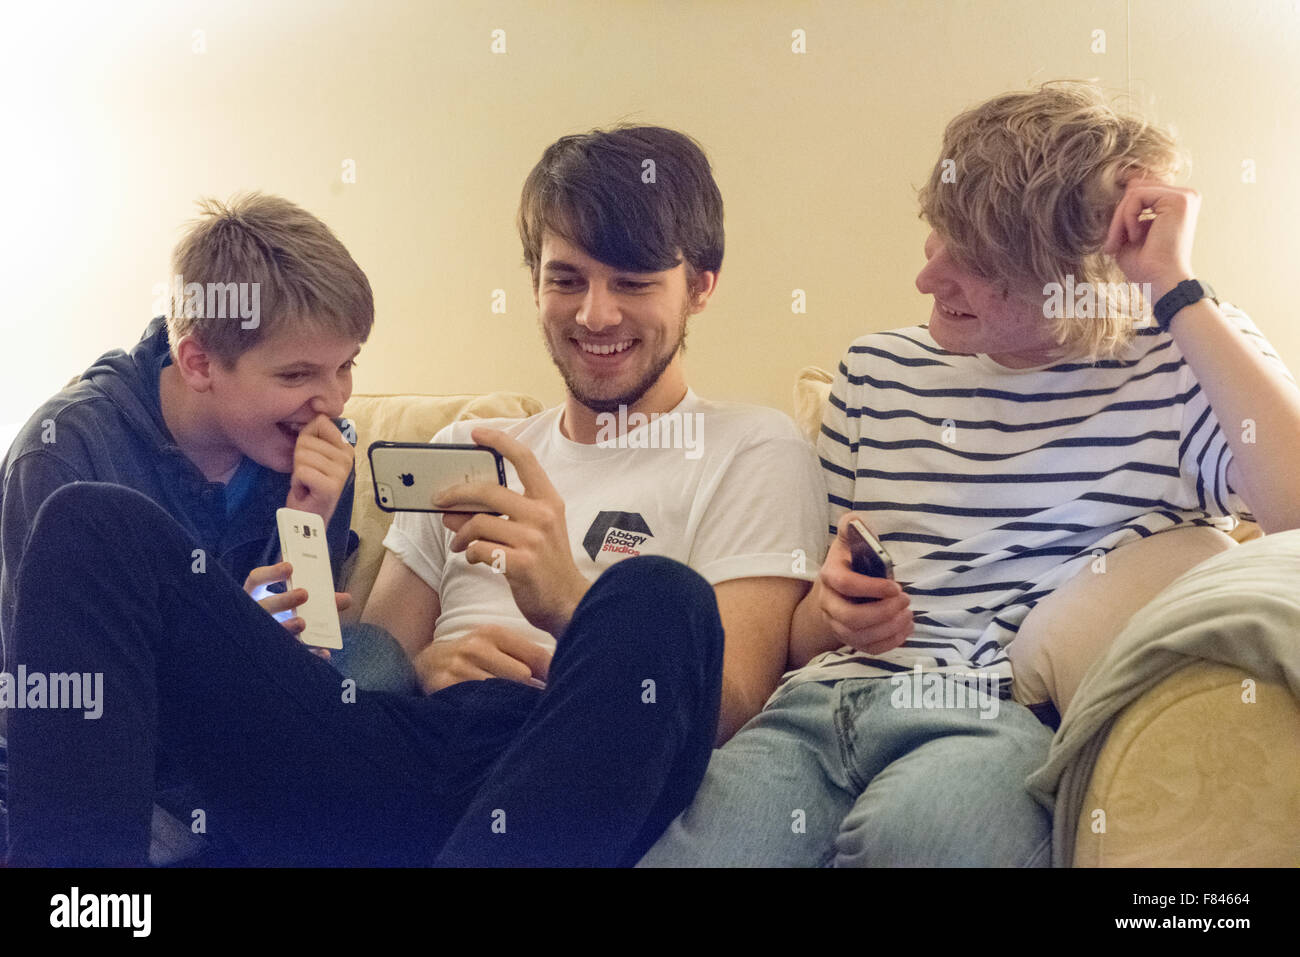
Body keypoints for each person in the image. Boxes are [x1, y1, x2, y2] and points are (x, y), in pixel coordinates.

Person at [4, 125, 827, 866]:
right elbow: (370, 666)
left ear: (701, 286)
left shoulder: (754, 445)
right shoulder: (463, 450)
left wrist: (569, 600)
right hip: (407, 753)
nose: (594, 312)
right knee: (91, 524)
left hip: (571, 766)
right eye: (566, 278)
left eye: (634, 283)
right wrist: (420, 660)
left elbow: (729, 704)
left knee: (658, 593)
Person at [639, 82, 1300, 867]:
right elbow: (802, 637)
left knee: (922, 840)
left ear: (1078, 279)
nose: (929, 280)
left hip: (988, 716)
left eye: (980, 265)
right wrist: (835, 611)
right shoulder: (875, 371)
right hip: (817, 710)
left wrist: (1176, 286)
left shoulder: (1176, 364)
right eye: (937, 237)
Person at [0, 192, 371, 861]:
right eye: (297, 374)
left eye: (347, 365)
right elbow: (56, 709)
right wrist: (230, 638)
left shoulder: (321, 453)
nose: (335, 400)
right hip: (100, 770)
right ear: (198, 361)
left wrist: (306, 529)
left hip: (233, 770)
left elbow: (305, 695)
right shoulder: (65, 454)